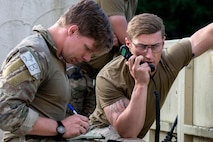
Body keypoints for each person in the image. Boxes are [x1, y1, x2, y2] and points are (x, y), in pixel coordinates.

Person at [87, 13, 213, 141]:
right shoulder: (109, 77)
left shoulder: (168, 62)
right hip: (99, 133)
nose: (148, 55)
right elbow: (128, 132)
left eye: (155, 46)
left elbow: (207, 35)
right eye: (141, 46)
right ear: (128, 44)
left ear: (163, 43)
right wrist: (141, 84)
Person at [0, 0, 113, 141]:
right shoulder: (34, 54)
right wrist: (60, 127)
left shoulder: (55, 57)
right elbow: (5, 111)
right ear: (72, 31)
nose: (88, 58)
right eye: (87, 48)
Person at [66, 0, 138, 117]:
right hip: (79, 70)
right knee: (71, 122)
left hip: (99, 74)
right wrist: (110, 38)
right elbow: (128, 40)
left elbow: (125, 38)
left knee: (90, 126)